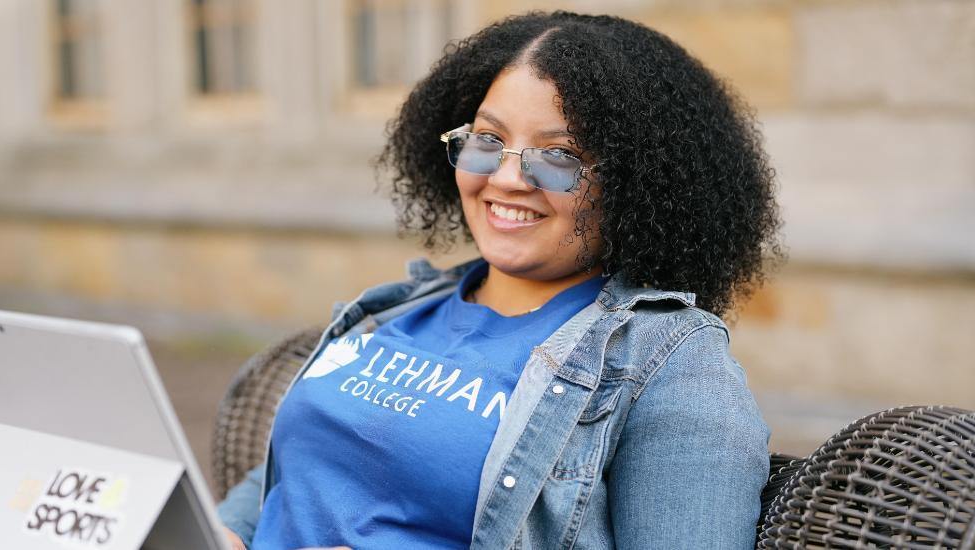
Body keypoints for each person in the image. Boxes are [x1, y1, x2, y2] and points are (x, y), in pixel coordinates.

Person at [216, 11, 783, 549]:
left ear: (640, 183)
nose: (507, 178)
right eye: (488, 140)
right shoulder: (401, 308)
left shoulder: (673, 366)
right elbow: (293, 477)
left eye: (559, 154)